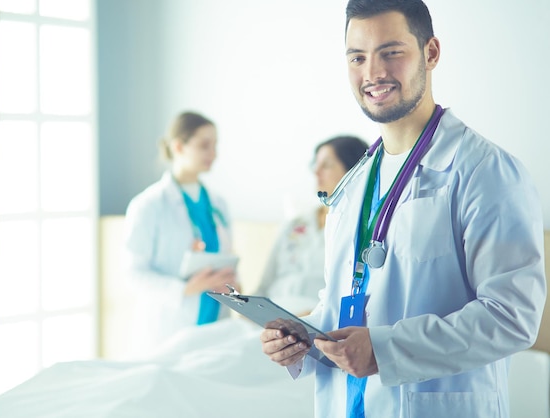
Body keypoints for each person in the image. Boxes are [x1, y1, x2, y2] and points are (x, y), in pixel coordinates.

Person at [259, 1, 547, 417]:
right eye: (357, 57)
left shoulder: (486, 172)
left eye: (391, 52)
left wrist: (386, 349)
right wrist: (300, 338)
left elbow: (512, 317)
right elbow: (347, 299)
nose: (372, 72)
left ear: (431, 53)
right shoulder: (354, 183)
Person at [124, 111, 238, 357]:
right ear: (178, 146)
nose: (214, 154)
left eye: (215, 145)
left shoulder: (218, 204)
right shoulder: (149, 205)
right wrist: (184, 289)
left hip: (216, 325)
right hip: (169, 328)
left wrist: (234, 283)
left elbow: (225, 257)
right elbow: (133, 274)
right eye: (204, 145)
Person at [254, 136, 367, 316]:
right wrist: (249, 310)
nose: (316, 172)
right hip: (267, 314)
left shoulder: (360, 231)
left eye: (327, 165)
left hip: (311, 319)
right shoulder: (295, 225)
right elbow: (264, 285)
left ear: (353, 171)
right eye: (315, 164)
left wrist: (315, 316)